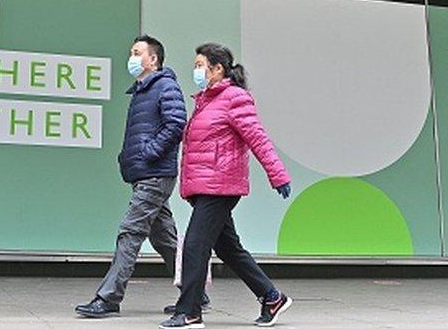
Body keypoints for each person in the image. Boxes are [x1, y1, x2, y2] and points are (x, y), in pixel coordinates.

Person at [160, 43, 293, 329]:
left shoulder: (235, 98)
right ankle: (271, 297)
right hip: (206, 184)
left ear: (217, 68)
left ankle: (190, 311)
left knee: (195, 245)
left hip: (220, 185)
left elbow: (257, 138)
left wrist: (277, 174)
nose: (195, 70)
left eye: (199, 65)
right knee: (228, 247)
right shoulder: (206, 100)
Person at [76, 35, 208, 317]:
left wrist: (148, 152)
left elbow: (175, 125)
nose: (132, 58)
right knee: (164, 239)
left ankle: (109, 298)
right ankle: (195, 292)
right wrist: (129, 158)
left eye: (137, 53)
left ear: (153, 59)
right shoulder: (141, 90)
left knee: (130, 231)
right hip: (145, 173)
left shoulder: (165, 86)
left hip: (155, 173)